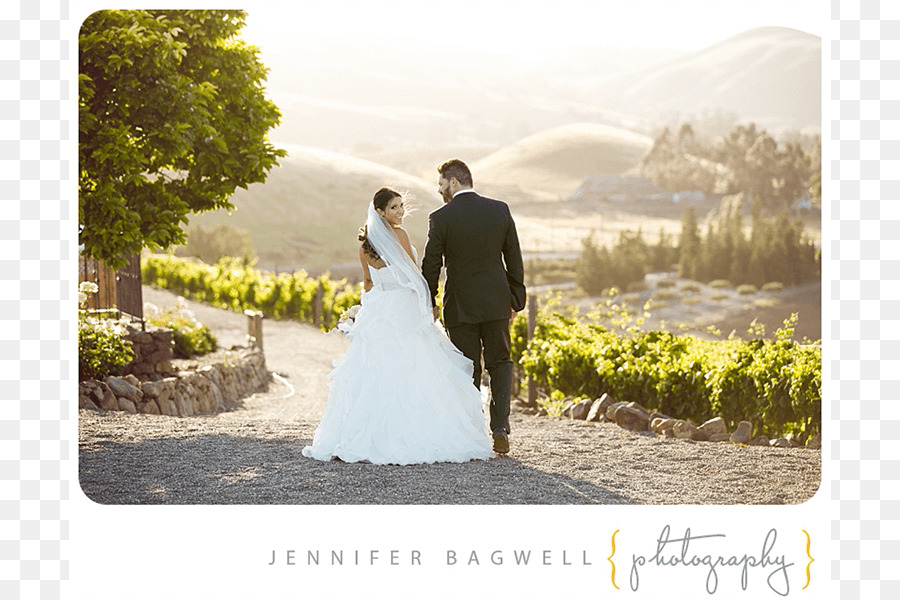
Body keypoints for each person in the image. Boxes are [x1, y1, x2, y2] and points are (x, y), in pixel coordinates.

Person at [302, 187, 494, 465]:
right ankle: (419, 432)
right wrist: (428, 303)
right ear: (379, 211)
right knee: (416, 363)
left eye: (402, 206)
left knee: (376, 369)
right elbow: (413, 275)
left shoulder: (364, 247)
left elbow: (367, 283)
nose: (401, 212)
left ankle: (366, 435)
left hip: (379, 307)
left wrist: (364, 312)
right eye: (394, 207)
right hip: (403, 304)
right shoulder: (400, 236)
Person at [422, 159, 526, 455]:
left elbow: (432, 263)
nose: (439, 189)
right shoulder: (500, 209)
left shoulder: (440, 217)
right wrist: (516, 300)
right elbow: (514, 258)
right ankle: (500, 427)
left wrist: (429, 299)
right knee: (500, 362)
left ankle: (471, 431)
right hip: (496, 301)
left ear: (454, 182)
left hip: (460, 304)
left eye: (441, 183)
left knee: (467, 366)